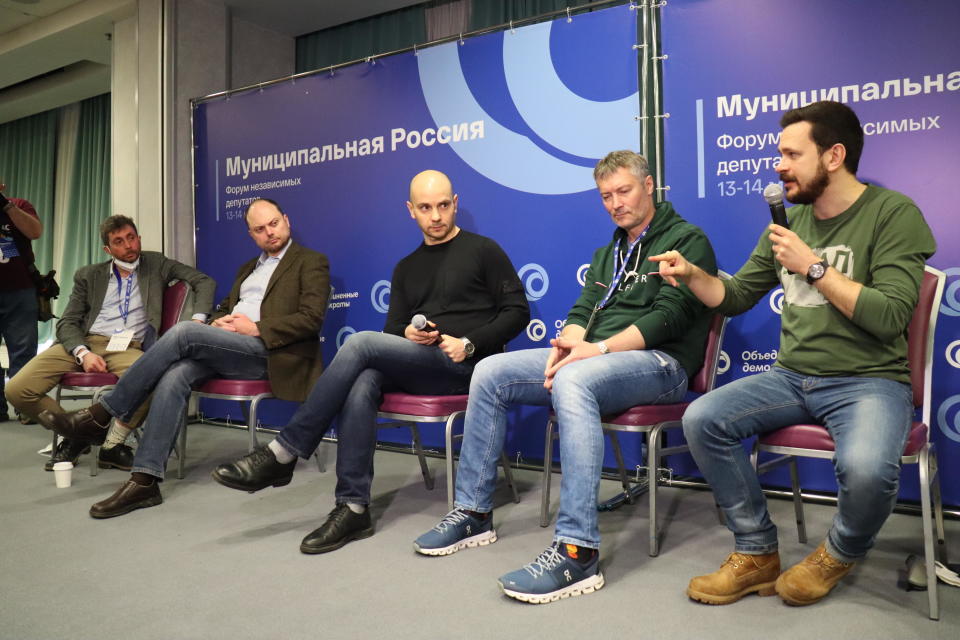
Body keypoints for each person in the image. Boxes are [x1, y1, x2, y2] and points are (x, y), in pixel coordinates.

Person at [651, 101, 937, 607]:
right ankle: (757, 551)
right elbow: (736, 296)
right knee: (703, 418)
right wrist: (695, 275)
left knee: (869, 469)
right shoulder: (787, 222)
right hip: (790, 377)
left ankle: (839, 553)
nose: (778, 164)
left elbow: (891, 315)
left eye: (790, 153)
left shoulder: (893, 214)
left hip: (869, 380)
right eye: (778, 153)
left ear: (834, 156)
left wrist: (814, 267)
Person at [414, 151, 718, 604]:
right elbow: (581, 312)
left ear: (649, 186)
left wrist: (592, 352)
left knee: (575, 380)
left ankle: (578, 551)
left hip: (660, 365)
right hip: (596, 360)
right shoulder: (610, 252)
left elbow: (667, 321)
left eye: (624, 191)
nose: (615, 203)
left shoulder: (687, 240)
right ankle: (473, 512)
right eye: (606, 196)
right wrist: (568, 347)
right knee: (492, 370)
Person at [211, 170, 530, 555]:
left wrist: (468, 343)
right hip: (424, 365)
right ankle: (353, 506)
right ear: (410, 210)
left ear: (455, 203)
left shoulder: (484, 250)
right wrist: (409, 336)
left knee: (361, 345)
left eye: (443, 205)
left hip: (469, 367)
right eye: (426, 208)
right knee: (362, 382)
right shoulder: (407, 267)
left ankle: (285, 451)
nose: (436, 216)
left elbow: (517, 311)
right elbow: (393, 328)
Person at [40, 199, 330, 518]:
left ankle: (102, 414)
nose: (269, 233)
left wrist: (255, 327)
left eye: (274, 224)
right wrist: (220, 320)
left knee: (184, 332)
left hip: (272, 353)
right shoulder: (248, 268)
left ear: (286, 220)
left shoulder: (311, 261)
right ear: (251, 234)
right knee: (176, 373)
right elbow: (227, 307)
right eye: (260, 229)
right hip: (230, 346)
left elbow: (311, 318)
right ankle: (145, 480)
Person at [8, 215, 214, 471]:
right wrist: (83, 353)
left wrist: (198, 320)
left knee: (156, 379)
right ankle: (77, 434)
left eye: (131, 238)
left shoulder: (156, 263)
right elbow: (68, 322)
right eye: (119, 241)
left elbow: (203, 281)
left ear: (138, 238)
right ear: (108, 249)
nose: (128, 245)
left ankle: (112, 445)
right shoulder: (89, 275)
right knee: (16, 390)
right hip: (85, 343)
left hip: (128, 348)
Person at [0, 181, 43, 424]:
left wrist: (6, 207)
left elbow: (35, 232)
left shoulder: (19, 205)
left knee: (23, 351)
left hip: (20, 290)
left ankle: (24, 405)